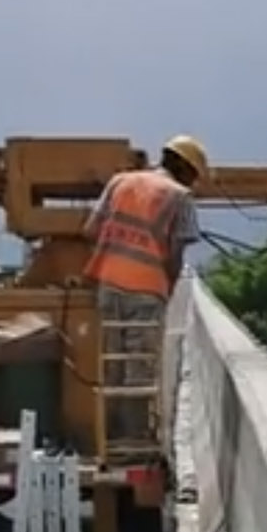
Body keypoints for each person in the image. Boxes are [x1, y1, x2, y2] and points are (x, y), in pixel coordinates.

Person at [82, 135, 208, 447]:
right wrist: (167, 291)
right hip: (147, 290)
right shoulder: (180, 197)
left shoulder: (120, 182)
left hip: (107, 284)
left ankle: (105, 435)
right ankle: (133, 438)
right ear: (183, 166)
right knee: (138, 366)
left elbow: (90, 230)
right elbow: (176, 252)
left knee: (109, 363)